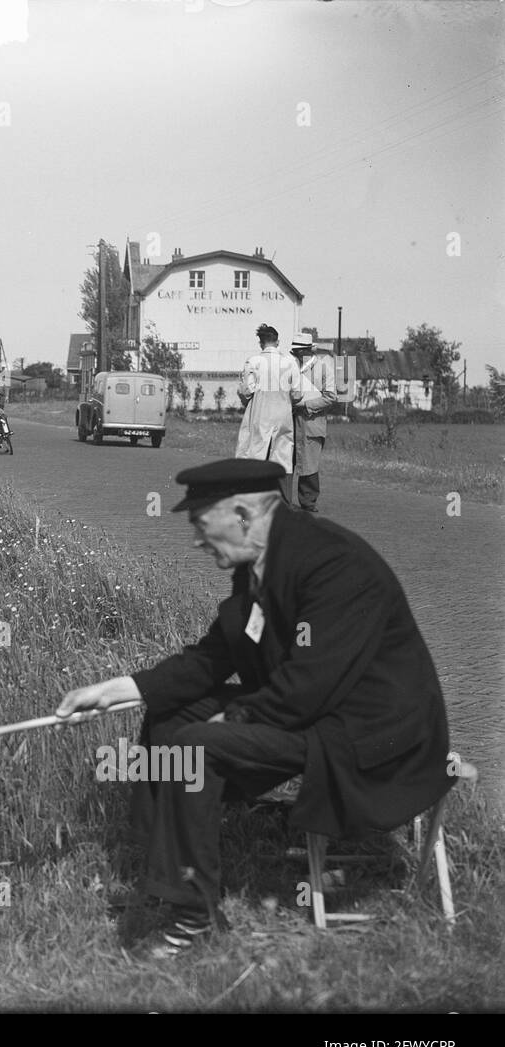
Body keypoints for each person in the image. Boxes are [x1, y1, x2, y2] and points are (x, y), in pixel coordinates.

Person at [54, 458, 454, 959]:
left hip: (368, 734)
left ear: (243, 514)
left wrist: (232, 721)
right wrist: (122, 688)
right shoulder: (261, 562)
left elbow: (310, 684)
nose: (198, 539)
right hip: (315, 711)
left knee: (195, 745)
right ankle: (168, 878)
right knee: (173, 715)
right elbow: (215, 655)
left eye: (201, 523)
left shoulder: (333, 563)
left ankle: (194, 919)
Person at [235, 324, 302, 503]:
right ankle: (284, 501)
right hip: (283, 414)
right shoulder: (290, 362)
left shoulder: (253, 362)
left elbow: (246, 390)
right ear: (278, 341)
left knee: (255, 453)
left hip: (260, 413)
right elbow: (297, 393)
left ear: (260, 343)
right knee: (283, 456)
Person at [288, 332, 337, 513]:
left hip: (311, 421)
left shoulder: (324, 368)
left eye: (300, 350)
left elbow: (331, 396)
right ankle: (284, 499)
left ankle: (308, 501)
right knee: (288, 461)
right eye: (296, 351)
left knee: (309, 463)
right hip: (292, 421)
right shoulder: (291, 367)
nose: (297, 354)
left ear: (309, 350)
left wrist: (306, 405)